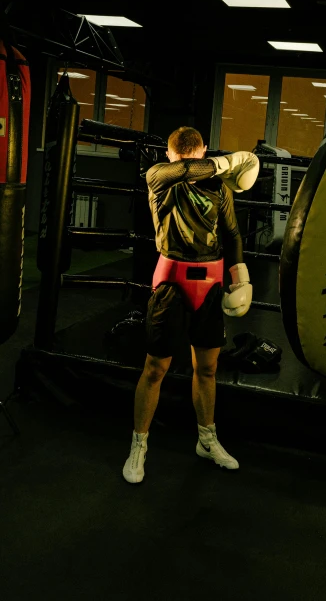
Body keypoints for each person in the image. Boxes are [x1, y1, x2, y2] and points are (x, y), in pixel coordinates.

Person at [123, 126, 259, 483]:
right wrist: (230, 161)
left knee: (209, 368)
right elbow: (182, 171)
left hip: (212, 282)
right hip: (171, 281)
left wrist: (240, 276)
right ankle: (139, 445)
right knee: (155, 368)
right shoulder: (160, 177)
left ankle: (206, 440)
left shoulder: (219, 187)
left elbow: (231, 233)